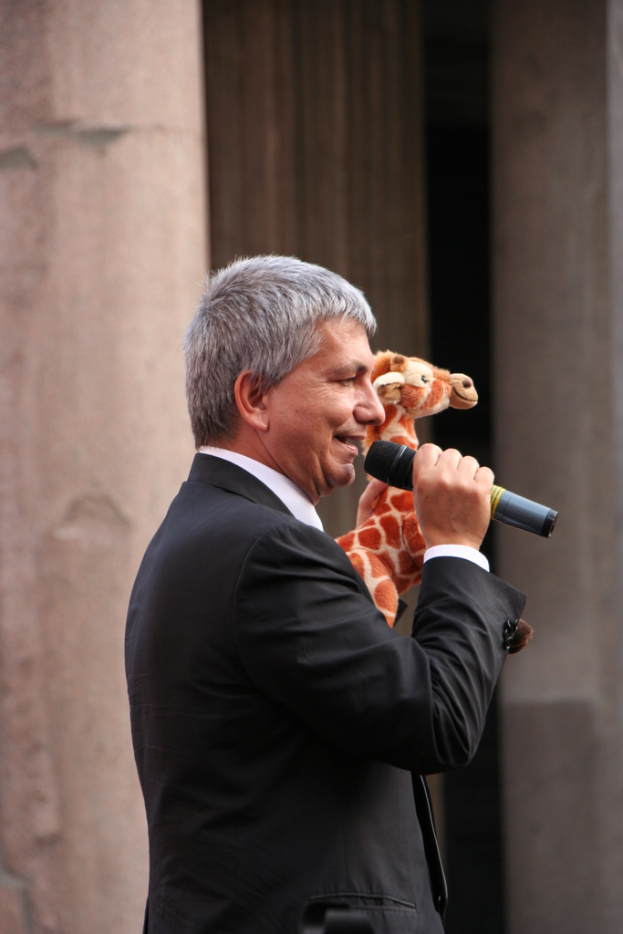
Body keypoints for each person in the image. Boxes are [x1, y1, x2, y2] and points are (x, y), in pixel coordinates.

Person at [125, 256, 526, 934]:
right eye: (345, 380)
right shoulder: (266, 550)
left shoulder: (217, 529)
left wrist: (386, 573)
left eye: (372, 380)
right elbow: (435, 722)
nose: (372, 410)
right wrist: (456, 546)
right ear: (254, 399)